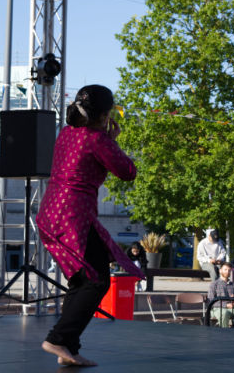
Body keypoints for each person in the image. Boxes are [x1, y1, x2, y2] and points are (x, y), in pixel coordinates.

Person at [36, 85, 145, 367]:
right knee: (96, 280)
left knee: (81, 279)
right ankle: (59, 338)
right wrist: (112, 141)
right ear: (106, 115)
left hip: (51, 213)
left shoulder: (66, 133)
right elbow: (128, 172)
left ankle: (68, 348)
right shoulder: (97, 139)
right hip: (74, 216)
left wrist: (105, 138)